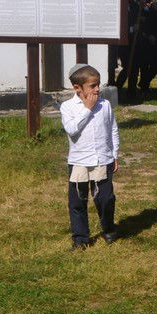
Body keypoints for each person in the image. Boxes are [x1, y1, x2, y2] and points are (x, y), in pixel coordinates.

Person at [60, 64, 119, 250]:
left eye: (98, 85)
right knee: (77, 201)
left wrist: (114, 154)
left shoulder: (105, 105)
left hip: (103, 159)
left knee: (105, 198)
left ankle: (108, 228)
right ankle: (80, 238)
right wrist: (87, 109)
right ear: (77, 88)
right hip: (79, 161)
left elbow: (112, 129)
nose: (97, 89)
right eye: (92, 86)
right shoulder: (68, 107)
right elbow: (71, 129)